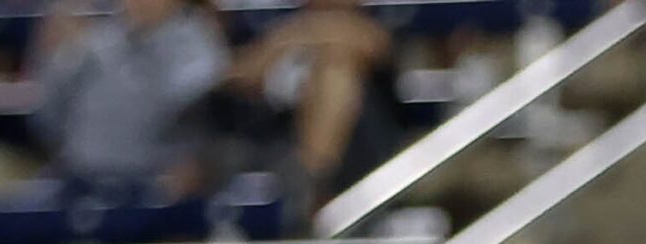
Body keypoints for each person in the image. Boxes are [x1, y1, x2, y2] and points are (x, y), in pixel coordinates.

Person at [27, 0, 229, 192]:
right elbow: (47, 115)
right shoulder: (99, 40)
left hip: (155, 182)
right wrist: (54, 57)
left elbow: (181, 102)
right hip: (78, 178)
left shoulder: (197, 43)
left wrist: (150, 40)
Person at [228, 0, 403, 204]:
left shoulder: (378, 18)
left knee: (336, 72)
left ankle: (313, 186)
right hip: (276, 134)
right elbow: (236, 72)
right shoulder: (273, 18)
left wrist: (299, 35)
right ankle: (311, 189)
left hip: (362, 140)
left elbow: (376, 46)